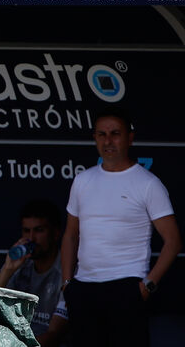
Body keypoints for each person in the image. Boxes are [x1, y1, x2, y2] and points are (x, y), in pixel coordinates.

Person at [61, 107, 182, 347]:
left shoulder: (148, 184)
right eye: (101, 134)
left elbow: (173, 241)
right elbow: (70, 235)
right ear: (94, 138)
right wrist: (67, 283)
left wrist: (146, 286)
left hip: (127, 287)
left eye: (115, 133)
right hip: (83, 289)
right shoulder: (83, 180)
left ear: (130, 137)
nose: (108, 141)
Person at [0, 199, 69, 347]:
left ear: (55, 233)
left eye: (39, 230)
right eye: (27, 231)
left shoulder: (67, 269)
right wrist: (8, 270)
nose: (31, 238)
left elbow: (53, 335)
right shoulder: (19, 265)